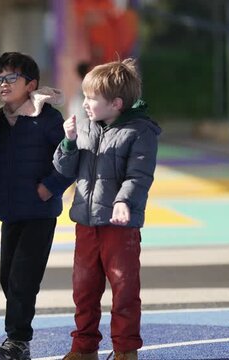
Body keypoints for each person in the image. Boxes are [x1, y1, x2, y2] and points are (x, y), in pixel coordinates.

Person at [54, 58, 160, 360]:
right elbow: (66, 169)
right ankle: (84, 347)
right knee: (83, 290)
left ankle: (125, 349)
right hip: (86, 225)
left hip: (119, 227)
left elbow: (138, 176)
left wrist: (124, 201)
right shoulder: (86, 126)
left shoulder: (141, 132)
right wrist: (69, 143)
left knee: (124, 289)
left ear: (116, 104)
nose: (84, 103)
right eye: (84, 96)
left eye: (91, 98)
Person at [0, 52, 74, 360]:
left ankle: (18, 340)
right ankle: (18, 334)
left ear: (31, 84)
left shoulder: (48, 119)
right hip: (10, 213)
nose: (2, 84)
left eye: (11, 78)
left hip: (40, 214)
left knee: (22, 278)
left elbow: (69, 160)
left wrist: (50, 187)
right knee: (8, 278)